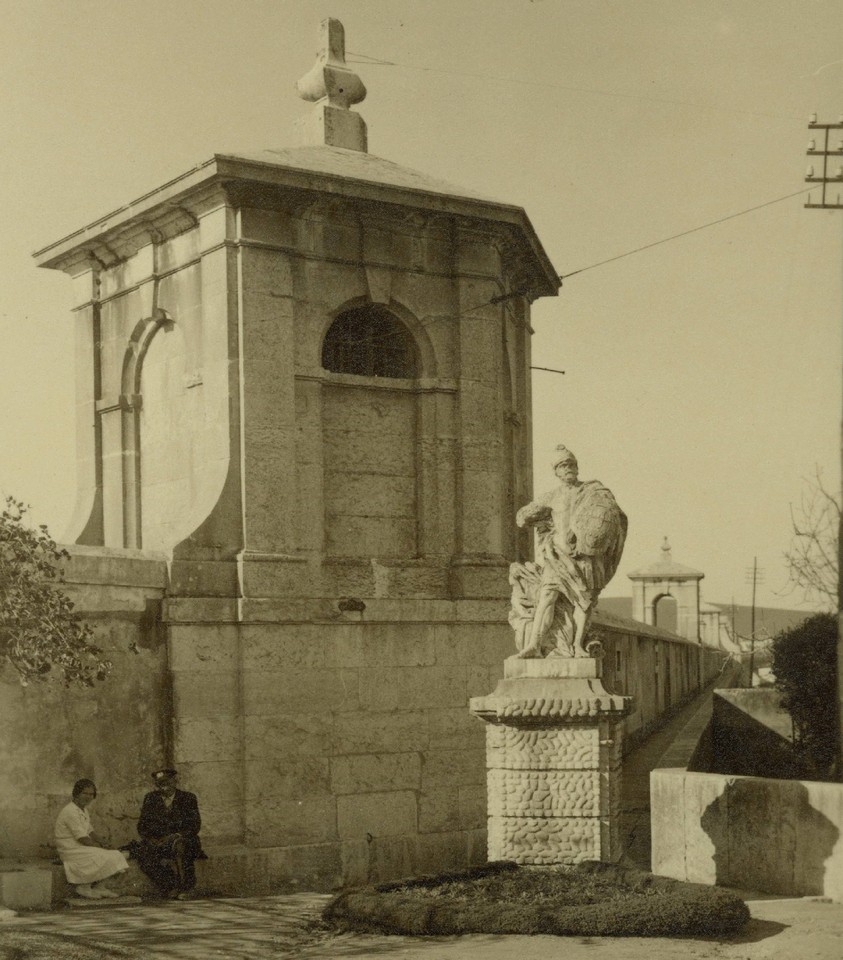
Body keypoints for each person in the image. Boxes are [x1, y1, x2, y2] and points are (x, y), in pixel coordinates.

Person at [512, 445, 627, 658]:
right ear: (556, 471)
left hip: (585, 557)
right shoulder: (551, 497)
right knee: (547, 597)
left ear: (577, 467)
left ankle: (577, 645)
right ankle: (534, 645)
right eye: (563, 466)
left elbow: (611, 517)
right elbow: (521, 518)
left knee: (584, 603)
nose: (568, 468)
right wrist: (531, 515)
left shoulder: (594, 492)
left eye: (571, 464)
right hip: (558, 557)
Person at [134, 768, 205, 900]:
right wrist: (152, 839)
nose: (164, 786)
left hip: (183, 839)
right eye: (160, 783)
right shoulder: (151, 798)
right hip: (159, 841)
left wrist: (177, 835)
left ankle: (187, 888)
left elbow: (195, 825)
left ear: (175, 781)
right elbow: (142, 825)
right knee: (143, 853)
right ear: (156, 784)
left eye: (167, 782)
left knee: (182, 848)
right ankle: (170, 886)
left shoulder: (188, 798)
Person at [54, 779, 129, 899]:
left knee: (118, 855)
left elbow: (90, 831)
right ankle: (84, 887)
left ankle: (100, 887)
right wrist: (100, 847)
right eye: (85, 793)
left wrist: (104, 842)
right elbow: (82, 838)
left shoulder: (83, 810)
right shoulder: (70, 811)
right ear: (76, 793)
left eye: (91, 794)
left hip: (81, 848)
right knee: (107, 855)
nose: (88, 797)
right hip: (71, 850)